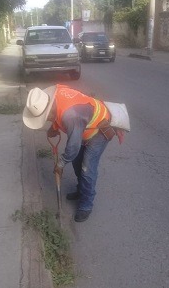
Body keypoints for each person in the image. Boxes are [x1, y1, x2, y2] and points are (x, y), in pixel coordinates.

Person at [22, 84, 116, 222]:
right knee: (77, 161)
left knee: (86, 168)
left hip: (99, 130)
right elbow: (58, 113)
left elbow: (73, 147)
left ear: (49, 110)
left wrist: (60, 163)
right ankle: (81, 189)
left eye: (46, 118)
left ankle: (86, 204)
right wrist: (54, 127)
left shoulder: (71, 116)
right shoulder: (55, 95)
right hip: (84, 124)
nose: (47, 120)